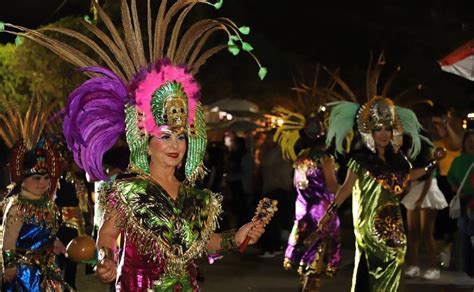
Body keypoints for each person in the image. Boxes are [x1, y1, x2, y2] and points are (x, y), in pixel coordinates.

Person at [3, 1, 267, 290]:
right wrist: (106, 260)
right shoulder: (129, 192)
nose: (175, 145)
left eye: (180, 137)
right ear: (146, 142)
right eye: (165, 136)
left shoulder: (195, 198)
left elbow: (203, 243)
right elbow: (106, 236)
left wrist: (236, 237)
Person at [319, 56, 435, 292]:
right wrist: (329, 213)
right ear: (369, 131)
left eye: (387, 128)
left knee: (393, 266)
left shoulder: (398, 159)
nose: (383, 133)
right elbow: (345, 189)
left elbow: (409, 176)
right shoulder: (359, 159)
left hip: (394, 229)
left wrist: (432, 164)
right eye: (378, 129)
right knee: (368, 273)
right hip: (368, 229)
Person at [273, 104, 341, 292]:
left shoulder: (300, 158)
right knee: (315, 263)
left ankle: (305, 284)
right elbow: (332, 186)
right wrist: (352, 187)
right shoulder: (325, 158)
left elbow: (294, 185)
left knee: (306, 259)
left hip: (303, 210)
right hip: (321, 212)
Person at [0, 99, 66, 291]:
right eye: (37, 178)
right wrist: (10, 265)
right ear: (22, 179)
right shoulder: (17, 208)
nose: (43, 183)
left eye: (46, 178)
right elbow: (9, 240)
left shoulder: (48, 204)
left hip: (48, 270)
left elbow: (48, 232)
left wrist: (57, 243)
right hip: (24, 273)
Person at [447, 130, 474, 277]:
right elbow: (451, 178)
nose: (472, 143)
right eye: (469, 140)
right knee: (464, 236)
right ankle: (469, 269)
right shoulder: (458, 161)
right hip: (464, 202)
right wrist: (457, 189)